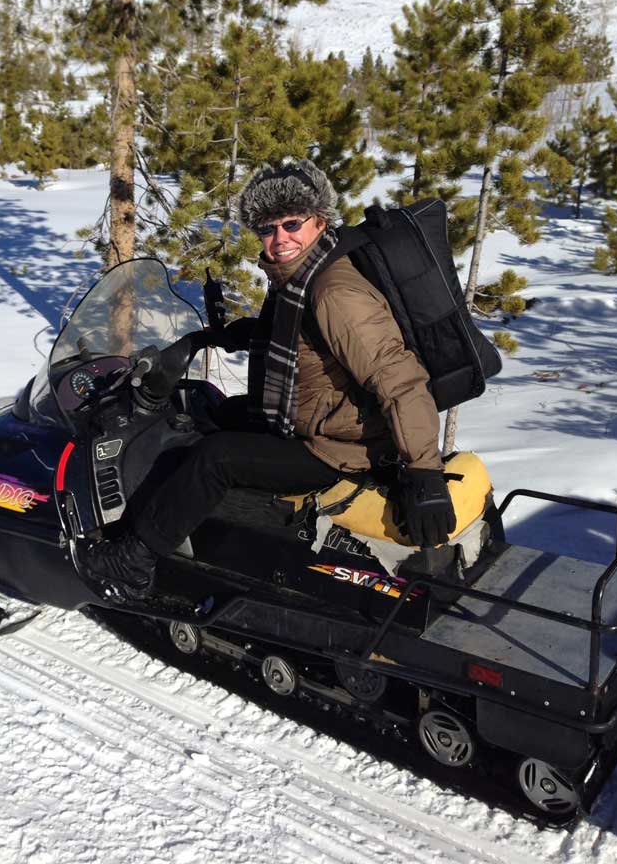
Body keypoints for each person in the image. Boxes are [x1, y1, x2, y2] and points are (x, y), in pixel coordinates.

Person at [81, 158, 455, 600]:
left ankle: (134, 561)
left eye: (292, 224)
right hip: (322, 421)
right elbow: (298, 338)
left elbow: (400, 381)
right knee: (212, 410)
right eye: (267, 228)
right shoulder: (305, 277)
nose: (280, 240)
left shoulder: (334, 291)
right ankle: (200, 533)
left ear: (319, 220)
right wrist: (229, 334)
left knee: (216, 456)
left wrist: (425, 473)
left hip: (341, 448)